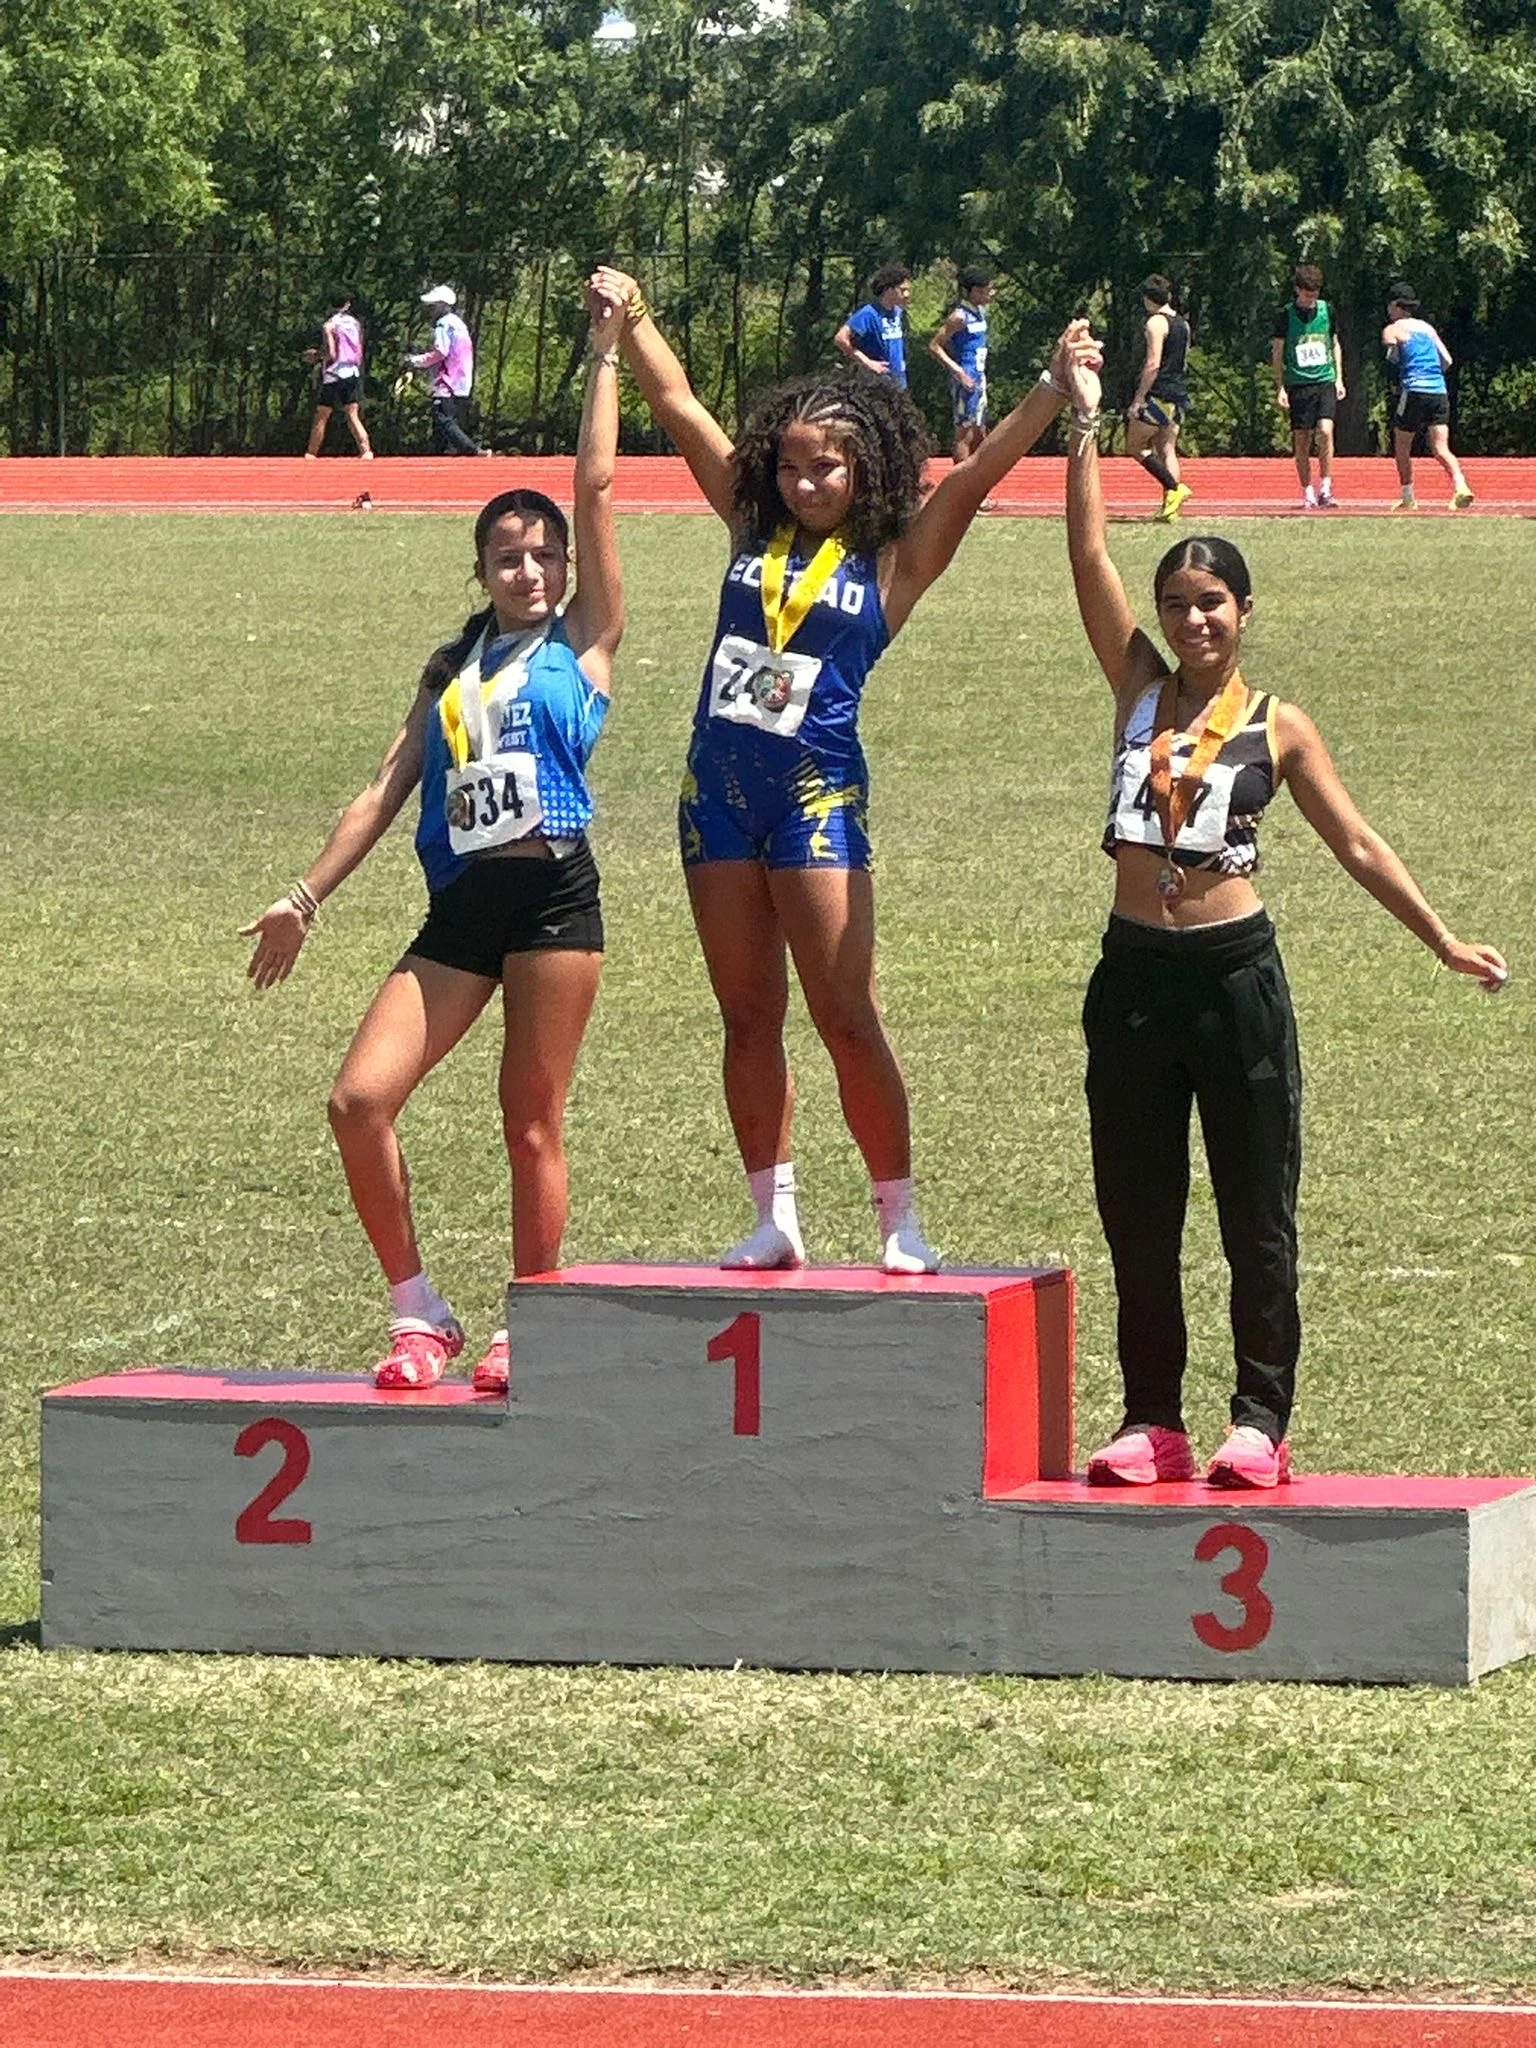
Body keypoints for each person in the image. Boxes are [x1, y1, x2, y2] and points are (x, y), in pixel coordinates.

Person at [1061, 334, 1506, 1489]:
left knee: (1257, 1209)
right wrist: (1082, 423)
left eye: (1210, 602)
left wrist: (1443, 939)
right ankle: (1151, 1416)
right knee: (1138, 1208)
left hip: (1234, 978)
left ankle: (1259, 1416)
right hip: (1133, 979)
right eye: (1177, 603)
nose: (1193, 619)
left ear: (1245, 611)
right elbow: (1088, 553)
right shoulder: (1138, 690)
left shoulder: (1278, 724)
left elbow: (1355, 842)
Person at [593, 262, 1097, 1274]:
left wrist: (1049, 387)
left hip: (815, 793)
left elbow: (974, 476)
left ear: (866, 469)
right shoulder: (749, 527)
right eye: (788, 467)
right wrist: (634, 315)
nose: (802, 483)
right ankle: (772, 1215)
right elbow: (679, 403)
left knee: (845, 1013)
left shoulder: (896, 561)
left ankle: (899, 1217)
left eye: (824, 468)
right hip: (714, 795)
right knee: (747, 1016)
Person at [241, 286, 626, 1390]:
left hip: (554, 899)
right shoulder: (449, 668)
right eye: (508, 556)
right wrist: (302, 899)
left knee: (531, 1126)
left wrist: (605, 354)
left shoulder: (587, 645)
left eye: (544, 554)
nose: (530, 570)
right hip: (460, 913)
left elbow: (594, 487)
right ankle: (421, 1313)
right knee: (359, 1099)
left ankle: (531, 1320)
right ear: (481, 571)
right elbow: (381, 789)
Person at [1382, 284, 1474, 511]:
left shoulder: (1393, 328)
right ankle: (1461, 486)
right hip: (1438, 391)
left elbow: (1391, 358)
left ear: (1395, 305)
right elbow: (1447, 361)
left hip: (1414, 390)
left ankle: (1408, 496)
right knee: (1441, 447)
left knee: (1402, 445)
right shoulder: (1427, 328)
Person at [1272, 264, 1345, 508]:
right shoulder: (1286, 315)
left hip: (1324, 379)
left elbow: (1334, 343)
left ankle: (1326, 486)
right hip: (1298, 382)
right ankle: (1308, 491)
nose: (1311, 299)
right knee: (1301, 438)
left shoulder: (1328, 311)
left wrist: (1339, 377)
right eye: (1306, 295)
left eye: (1314, 295)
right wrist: (1280, 386)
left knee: (1325, 431)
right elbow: (1278, 352)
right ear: (1297, 291)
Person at [1125, 275, 1192, 523]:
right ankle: (1170, 508)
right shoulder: (1182, 324)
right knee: (1167, 449)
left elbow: (1153, 363)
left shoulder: (1156, 322)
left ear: (1147, 299)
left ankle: (1174, 488)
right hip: (1177, 393)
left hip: (1159, 393)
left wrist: (1139, 398)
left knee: (1134, 446)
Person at [406, 285, 488, 456]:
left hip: (447, 380)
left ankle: (472, 449)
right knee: (440, 423)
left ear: (443, 305)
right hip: (461, 379)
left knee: (443, 419)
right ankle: (437, 454)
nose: (431, 308)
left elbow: (441, 352)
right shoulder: (458, 324)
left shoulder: (443, 325)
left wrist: (416, 361)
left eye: (434, 305)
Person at [929, 266, 993, 461]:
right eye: (984, 290)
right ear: (972, 291)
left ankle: (978, 482)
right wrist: (958, 371)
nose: (989, 295)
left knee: (979, 431)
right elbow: (934, 345)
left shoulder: (980, 311)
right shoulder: (959, 317)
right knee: (964, 433)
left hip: (979, 375)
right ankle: (960, 485)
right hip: (965, 376)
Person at [304, 292, 373, 459]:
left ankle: (311, 453)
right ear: (347, 305)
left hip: (334, 374)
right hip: (352, 371)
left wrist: (317, 356)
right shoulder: (355, 323)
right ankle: (366, 450)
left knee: (322, 414)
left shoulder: (329, 325)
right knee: (353, 414)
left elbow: (332, 352)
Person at [834, 266, 912, 387]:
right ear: (889, 289)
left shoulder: (898, 313)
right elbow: (840, 339)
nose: (907, 294)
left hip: (898, 382)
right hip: (875, 384)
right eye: (902, 290)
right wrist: (867, 362)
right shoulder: (868, 313)